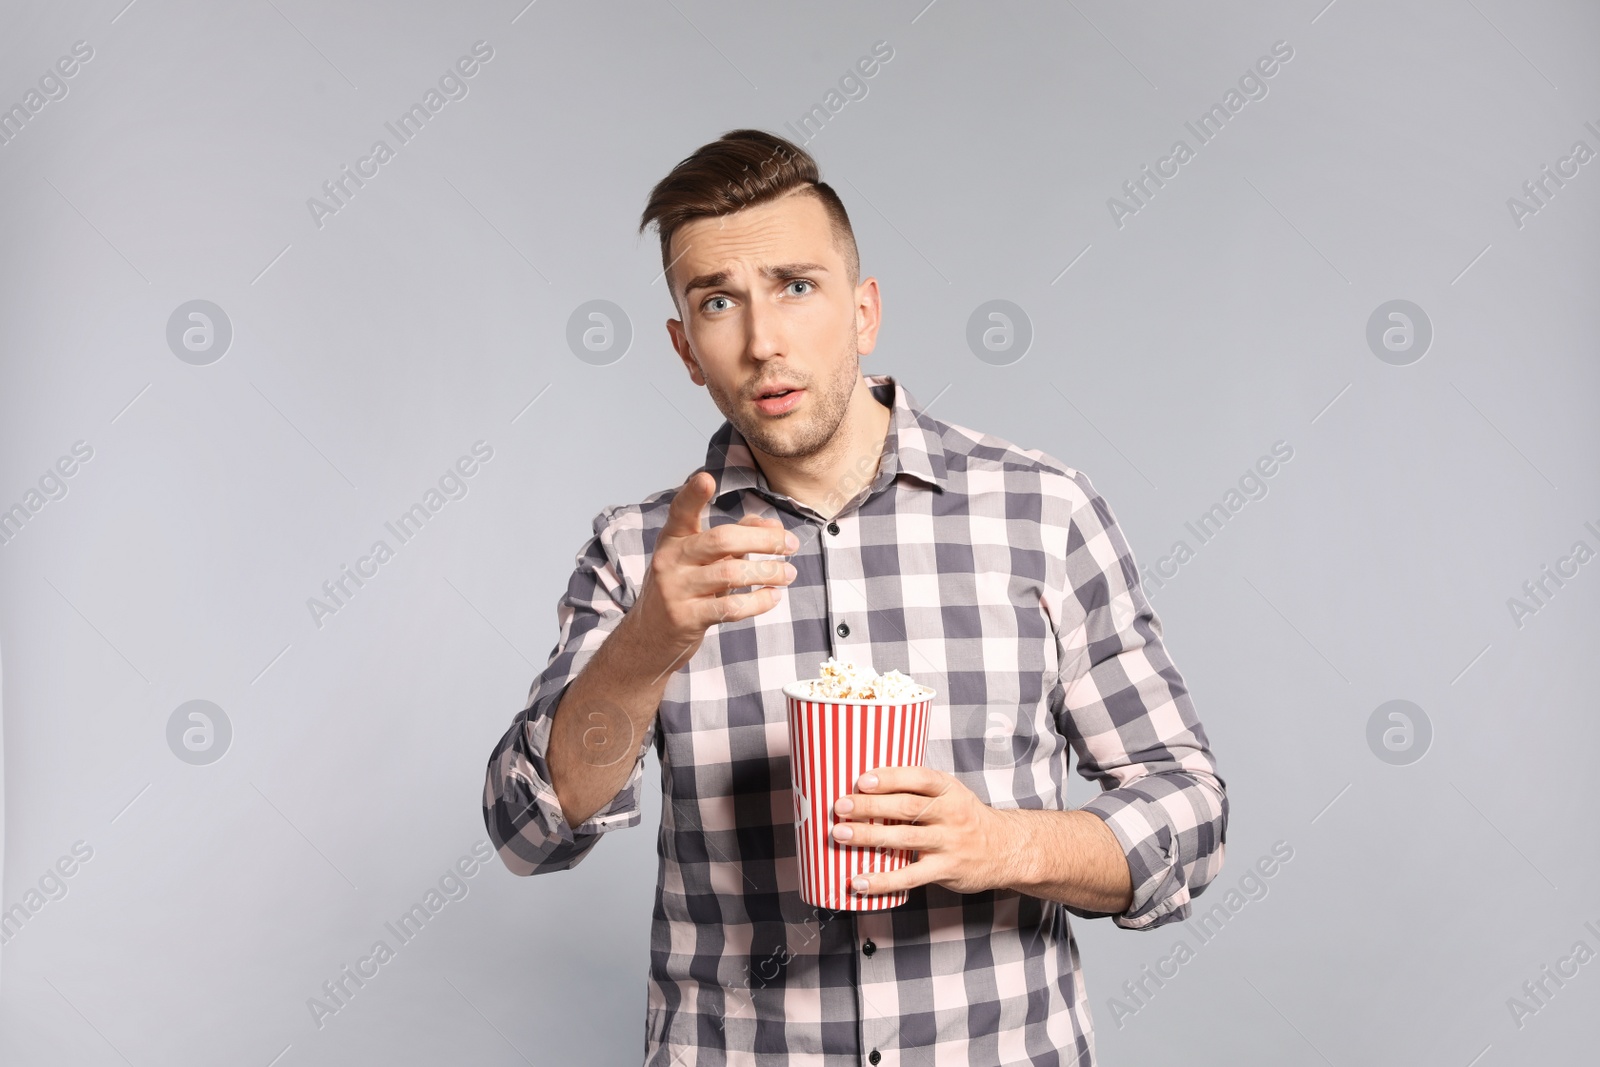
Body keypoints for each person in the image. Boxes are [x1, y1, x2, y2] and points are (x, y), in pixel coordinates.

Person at [483, 129, 1227, 1066]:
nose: (764, 342)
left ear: (864, 310)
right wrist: (645, 644)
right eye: (719, 302)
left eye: (797, 286)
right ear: (685, 347)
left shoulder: (1042, 514)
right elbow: (527, 831)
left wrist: (1004, 844)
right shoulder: (641, 554)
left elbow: (1190, 812)